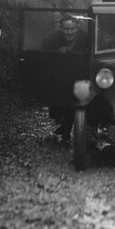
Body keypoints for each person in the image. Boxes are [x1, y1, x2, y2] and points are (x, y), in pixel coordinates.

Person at [42, 14, 90, 144]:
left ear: (77, 28)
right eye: (66, 29)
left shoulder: (85, 38)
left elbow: (91, 53)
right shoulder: (53, 37)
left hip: (80, 76)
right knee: (57, 105)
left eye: (72, 29)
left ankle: (66, 130)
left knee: (74, 103)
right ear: (61, 29)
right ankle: (62, 126)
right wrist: (56, 51)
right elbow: (43, 51)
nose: (69, 32)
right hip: (60, 76)